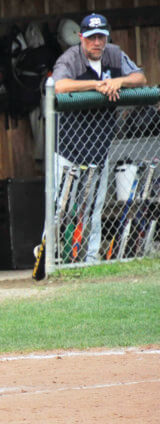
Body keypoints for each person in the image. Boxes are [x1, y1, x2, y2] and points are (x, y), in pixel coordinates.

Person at [52, 13, 146, 262]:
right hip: (67, 147)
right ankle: (51, 256)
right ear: (81, 37)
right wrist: (95, 85)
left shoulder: (114, 54)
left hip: (99, 146)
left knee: (93, 208)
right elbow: (58, 86)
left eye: (101, 37)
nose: (97, 43)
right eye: (92, 37)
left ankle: (90, 258)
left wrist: (119, 81)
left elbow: (140, 77)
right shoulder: (70, 57)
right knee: (59, 207)